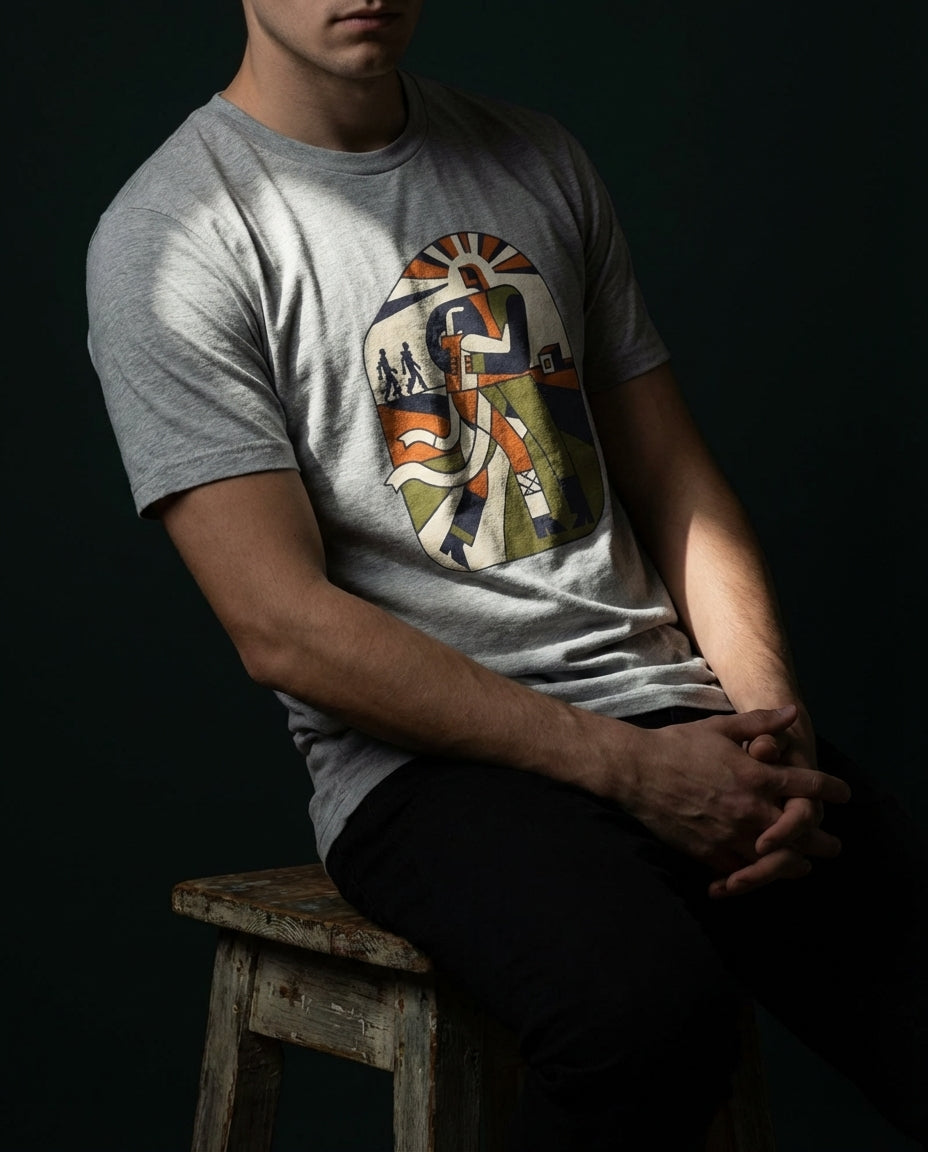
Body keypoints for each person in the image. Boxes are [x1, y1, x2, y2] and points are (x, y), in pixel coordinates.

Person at [85, 2, 926, 1148]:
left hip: (677, 713)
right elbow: (280, 626)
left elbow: (677, 481)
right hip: (428, 768)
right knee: (645, 1018)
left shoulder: (536, 156)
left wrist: (771, 730)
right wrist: (629, 773)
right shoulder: (175, 231)